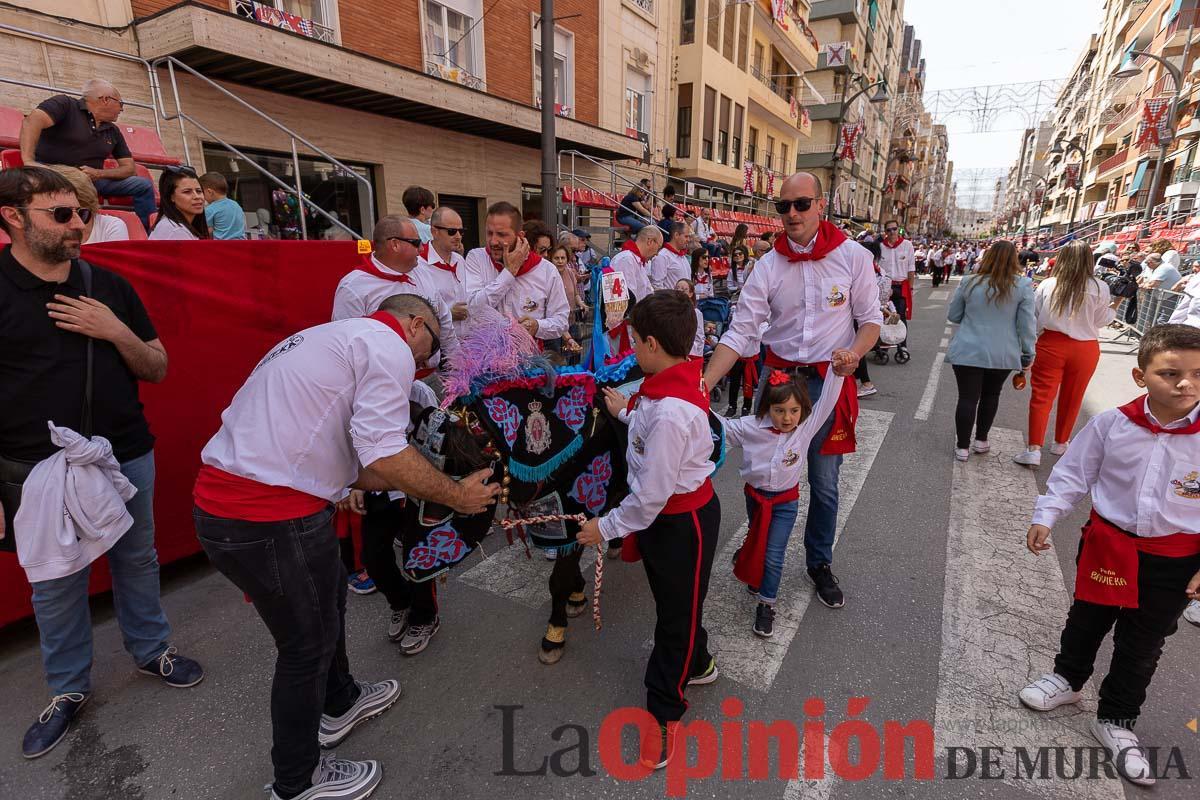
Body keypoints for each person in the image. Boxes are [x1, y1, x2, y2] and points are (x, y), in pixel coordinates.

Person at [194, 292, 499, 800]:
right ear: (416, 325)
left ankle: (341, 700)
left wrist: (358, 484)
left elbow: (351, 458)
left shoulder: (328, 335)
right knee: (304, 647)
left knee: (327, 601)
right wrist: (457, 496)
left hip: (249, 504)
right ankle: (297, 781)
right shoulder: (389, 346)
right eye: (428, 350)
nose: (422, 364)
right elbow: (385, 450)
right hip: (268, 514)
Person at [0, 166, 202, 759]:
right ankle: (67, 690)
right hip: (34, 468)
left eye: (81, 213)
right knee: (56, 582)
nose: (77, 224)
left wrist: (113, 330)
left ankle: (151, 650)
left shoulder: (108, 286)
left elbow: (157, 367)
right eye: (59, 214)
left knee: (137, 558)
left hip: (124, 454)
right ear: (12, 216)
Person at [1020, 324, 1200, 788]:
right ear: (1140, 376)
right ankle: (1068, 680)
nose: (1186, 384)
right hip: (1109, 543)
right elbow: (1073, 473)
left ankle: (1117, 719)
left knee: (1143, 644)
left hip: (1174, 558)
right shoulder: (1112, 423)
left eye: (1198, 374)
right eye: (1171, 373)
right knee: (1087, 619)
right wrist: (1047, 514)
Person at [703, 172, 882, 609]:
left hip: (828, 381)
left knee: (823, 483)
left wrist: (854, 353)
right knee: (764, 477)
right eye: (784, 207)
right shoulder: (768, 265)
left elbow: (871, 319)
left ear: (821, 205)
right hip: (778, 379)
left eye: (801, 204)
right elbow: (741, 332)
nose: (792, 214)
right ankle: (762, 555)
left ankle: (819, 562)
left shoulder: (852, 256)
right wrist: (703, 383)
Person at [576, 290, 721, 770]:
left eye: (635, 341)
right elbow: (645, 421)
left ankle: (664, 711)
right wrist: (621, 411)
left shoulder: (671, 410)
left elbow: (650, 495)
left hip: (681, 522)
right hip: (668, 519)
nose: (631, 350)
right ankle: (697, 663)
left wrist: (605, 527)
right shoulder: (667, 385)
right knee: (678, 603)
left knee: (674, 618)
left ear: (654, 344)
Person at [724, 370, 845, 637]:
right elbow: (714, 426)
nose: (788, 418)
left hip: (785, 503)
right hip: (754, 498)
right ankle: (754, 574)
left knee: (774, 555)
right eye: (779, 410)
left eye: (794, 410)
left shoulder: (805, 428)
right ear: (767, 407)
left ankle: (766, 605)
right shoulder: (749, 426)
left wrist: (837, 373)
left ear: (803, 409)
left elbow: (827, 400)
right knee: (757, 538)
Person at [1014, 241, 1114, 467]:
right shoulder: (1100, 287)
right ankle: (1061, 442)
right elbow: (1101, 320)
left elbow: (1035, 316)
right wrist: (1114, 308)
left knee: (1041, 397)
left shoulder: (1049, 284)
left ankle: (1034, 448)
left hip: (1051, 343)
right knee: (1074, 396)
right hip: (1086, 347)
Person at [19, 80, 156, 231]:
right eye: (121, 104)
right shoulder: (65, 105)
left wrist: (98, 173)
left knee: (143, 185)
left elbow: (129, 168)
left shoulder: (113, 130)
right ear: (105, 99)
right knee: (80, 181)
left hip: (94, 181)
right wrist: (28, 160)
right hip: (55, 175)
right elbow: (32, 121)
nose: (121, 110)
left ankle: (146, 232)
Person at [946, 240, 1036, 462]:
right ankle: (981, 440)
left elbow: (954, 316)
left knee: (967, 398)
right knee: (991, 395)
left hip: (968, 349)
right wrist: (1028, 352)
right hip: (1002, 352)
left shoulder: (969, 282)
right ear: (1014, 260)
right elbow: (1027, 325)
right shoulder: (1023, 285)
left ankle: (962, 447)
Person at [331, 215, 458, 361]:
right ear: (395, 244)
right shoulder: (353, 288)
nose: (421, 249)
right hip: (385, 378)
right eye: (416, 243)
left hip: (431, 374)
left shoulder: (422, 270)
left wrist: (457, 362)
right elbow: (346, 346)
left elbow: (443, 317)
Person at [462, 201, 570, 345]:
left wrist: (537, 326)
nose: (493, 241)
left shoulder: (547, 270)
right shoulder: (476, 258)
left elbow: (561, 320)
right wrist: (509, 272)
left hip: (529, 361)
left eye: (501, 234)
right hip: (482, 359)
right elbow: (473, 309)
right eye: (489, 233)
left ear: (520, 236)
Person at [47, 165, 127, 244]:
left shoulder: (110, 226)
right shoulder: (43, 228)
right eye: (63, 214)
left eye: (83, 214)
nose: (78, 224)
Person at [416, 206, 469, 324]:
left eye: (461, 231)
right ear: (434, 232)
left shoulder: (459, 260)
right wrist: (448, 314)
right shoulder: (418, 265)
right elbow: (415, 311)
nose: (458, 236)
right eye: (452, 231)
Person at [878, 219, 915, 360]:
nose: (892, 232)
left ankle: (902, 344)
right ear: (885, 232)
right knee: (884, 315)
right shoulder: (881, 247)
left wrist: (910, 288)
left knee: (900, 316)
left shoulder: (907, 245)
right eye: (889, 230)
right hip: (885, 286)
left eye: (894, 229)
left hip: (901, 285)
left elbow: (911, 269)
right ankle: (885, 344)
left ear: (898, 230)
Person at [149, 167, 210, 241]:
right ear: (171, 197)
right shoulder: (175, 230)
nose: (197, 197)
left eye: (199, 191)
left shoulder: (175, 225)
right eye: (187, 192)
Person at [609, 224, 661, 304]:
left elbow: (647, 292)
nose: (657, 253)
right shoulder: (626, 260)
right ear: (650, 241)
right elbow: (627, 298)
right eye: (659, 247)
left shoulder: (637, 260)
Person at [548, 244, 584, 355]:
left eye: (562, 258)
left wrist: (581, 303)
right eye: (556, 258)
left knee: (572, 357)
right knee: (558, 358)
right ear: (551, 259)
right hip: (554, 326)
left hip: (571, 322)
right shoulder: (548, 276)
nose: (560, 261)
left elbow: (576, 294)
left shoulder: (570, 273)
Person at [199, 172, 246, 240]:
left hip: (223, 246)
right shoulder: (235, 204)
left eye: (202, 192)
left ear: (210, 192)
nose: (202, 196)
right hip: (241, 244)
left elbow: (207, 231)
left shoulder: (210, 209)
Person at [651, 221, 692, 290]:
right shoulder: (662, 256)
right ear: (676, 235)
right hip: (672, 300)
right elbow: (657, 286)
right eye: (686, 236)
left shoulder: (683, 257)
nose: (688, 240)